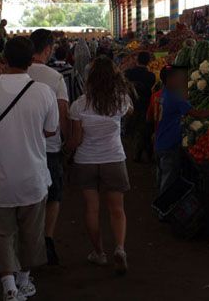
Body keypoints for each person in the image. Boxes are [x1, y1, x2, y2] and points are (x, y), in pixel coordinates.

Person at [0, 37, 59, 301]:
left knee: (0, 232)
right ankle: (24, 280)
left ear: (3, 60)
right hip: (32, 176)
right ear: (31, 60)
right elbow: (51, 129)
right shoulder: (44, 92)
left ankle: (8, 285)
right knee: (31, 232)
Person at [67, 57, 133, 274]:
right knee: (117, 209)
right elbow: (129, 111)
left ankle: (99, 253)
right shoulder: (121, 101)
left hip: (86, 160)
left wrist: (65, 150)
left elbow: (76, 140)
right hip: (114, 158)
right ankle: (120, 249)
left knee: (91, 209)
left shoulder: (79, 105)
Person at [27, 29, 71, 266]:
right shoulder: (54, 78)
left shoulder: (13, 73)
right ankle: (47, 238)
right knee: (53, 195)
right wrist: (66, 141)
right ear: (47, 49)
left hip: (21, 147)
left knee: (28, 196)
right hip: (50, 147)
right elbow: (63, 111)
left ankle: (27, 240)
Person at [155, 66, 209, 194]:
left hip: (160, 140)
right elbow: (198, 114)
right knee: (169, 179)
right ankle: (164, 207)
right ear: (170, 80)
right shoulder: (176, 98)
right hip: (170, 143)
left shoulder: (162, 93)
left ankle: (161, 201)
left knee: (162, 173)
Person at [125, 51, 156, 160]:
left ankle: (136, 152)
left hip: (131, 105)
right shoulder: (151, 76)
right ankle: (146, 152)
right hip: (145, 105)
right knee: (145, 128)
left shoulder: (128, 73)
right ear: (149, 62)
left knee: (134, 128)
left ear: (137, 60)